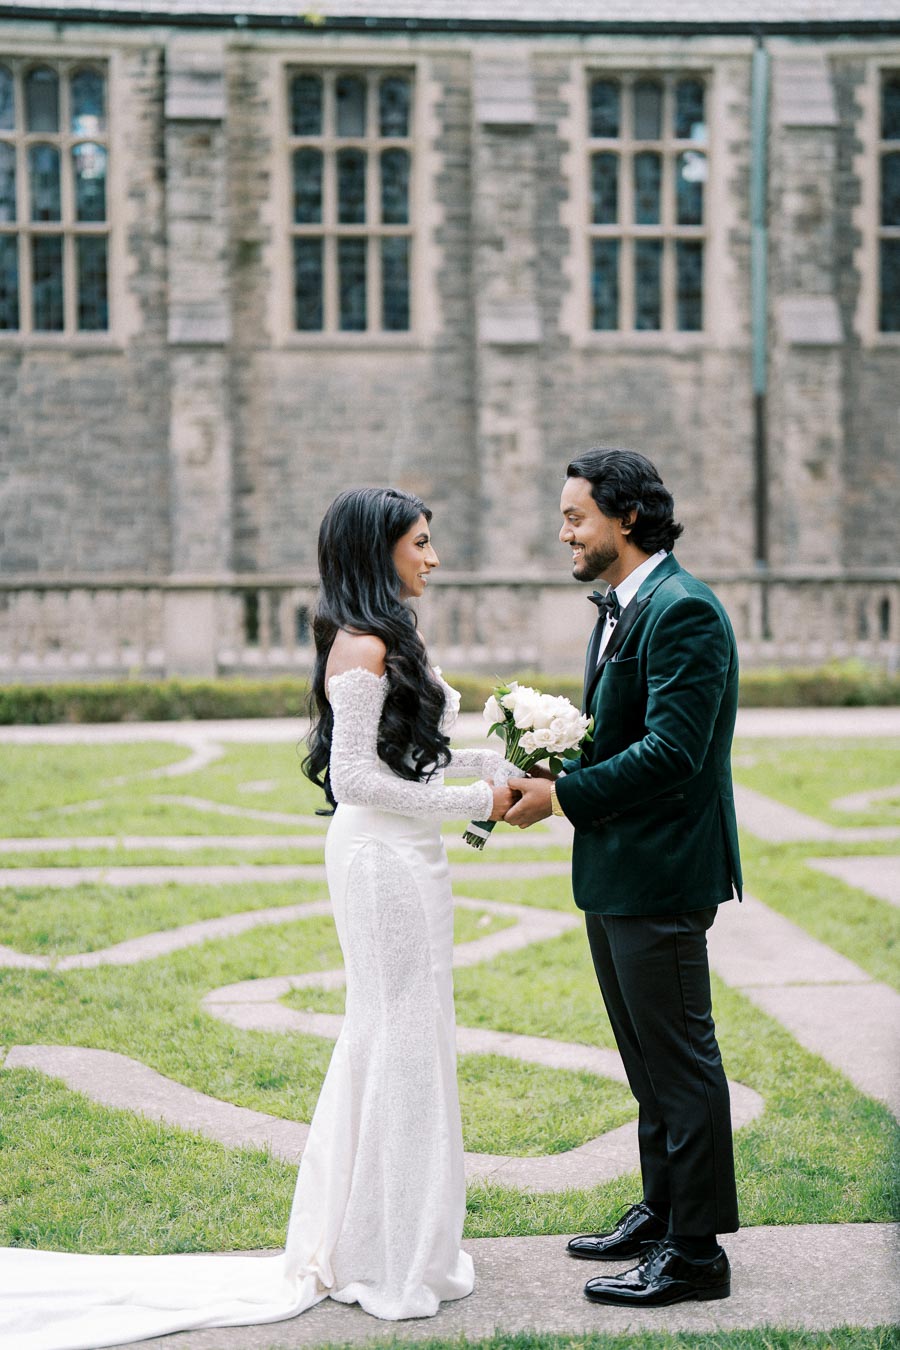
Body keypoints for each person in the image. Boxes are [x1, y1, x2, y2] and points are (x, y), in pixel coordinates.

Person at [0, 487, 514, 1348]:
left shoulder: (385, 639)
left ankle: (395, 1242)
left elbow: (402, 759)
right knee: (396, 1036)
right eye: (421, 543)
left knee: (408, 1035)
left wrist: (502, 763)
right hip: (381, 861)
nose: (433, 558)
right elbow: (353, 778)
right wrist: (477, 799)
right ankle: (382, 1256)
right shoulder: (360, 644)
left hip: (407, 855)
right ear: (377, 551)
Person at [505, 448, 742, 1308]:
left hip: (664, 872)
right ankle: (663, 1208)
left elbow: (674, 755)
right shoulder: (622, 607)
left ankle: (696, 1255)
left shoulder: (685, 611)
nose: (563, 530)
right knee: (647, 1062)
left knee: (680, 1062)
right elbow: (621, 733)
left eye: (575, 517)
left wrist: (561, 794)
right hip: (617, 871)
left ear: (627, 519)